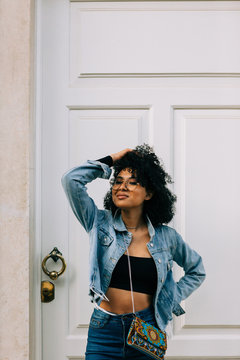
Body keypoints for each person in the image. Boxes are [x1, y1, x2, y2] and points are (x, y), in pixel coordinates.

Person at [61, 144, 206, 360]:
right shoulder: (99, 222)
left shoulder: (167, 237)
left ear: (149, 193)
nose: (122, 187)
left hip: (147, 329)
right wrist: (112, 159)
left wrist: (169, 299)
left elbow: (196, 271)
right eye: (118, 182)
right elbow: (71, 180)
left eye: (132, 182)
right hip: (104, 331)